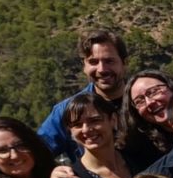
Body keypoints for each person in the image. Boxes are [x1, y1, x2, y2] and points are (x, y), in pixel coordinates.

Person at [38, 29, 128, 161]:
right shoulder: (67, 111)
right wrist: (56, 173)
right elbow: (35, 155)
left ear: (124, 63)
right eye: (93, 62)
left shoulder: (144, 103)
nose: (102, 69)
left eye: (109, 61)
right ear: (84, 66)